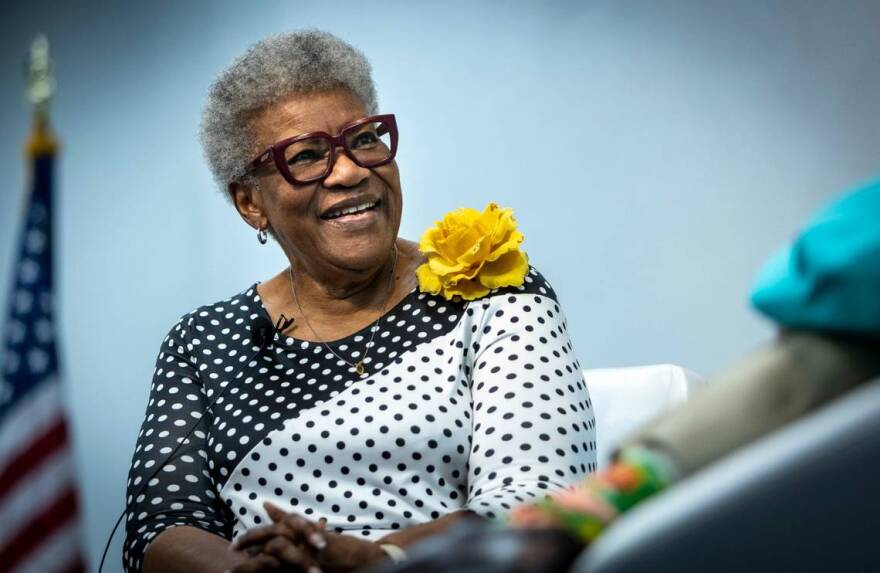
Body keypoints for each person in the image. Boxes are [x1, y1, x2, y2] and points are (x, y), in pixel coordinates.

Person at [123, 30, 596, 573]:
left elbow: (535, 505)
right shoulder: (205, 341)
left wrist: (375, 560)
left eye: (365, 139)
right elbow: (160, 530)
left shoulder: (493, 287)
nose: (350, 171)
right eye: (306, 155)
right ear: (251, 203)